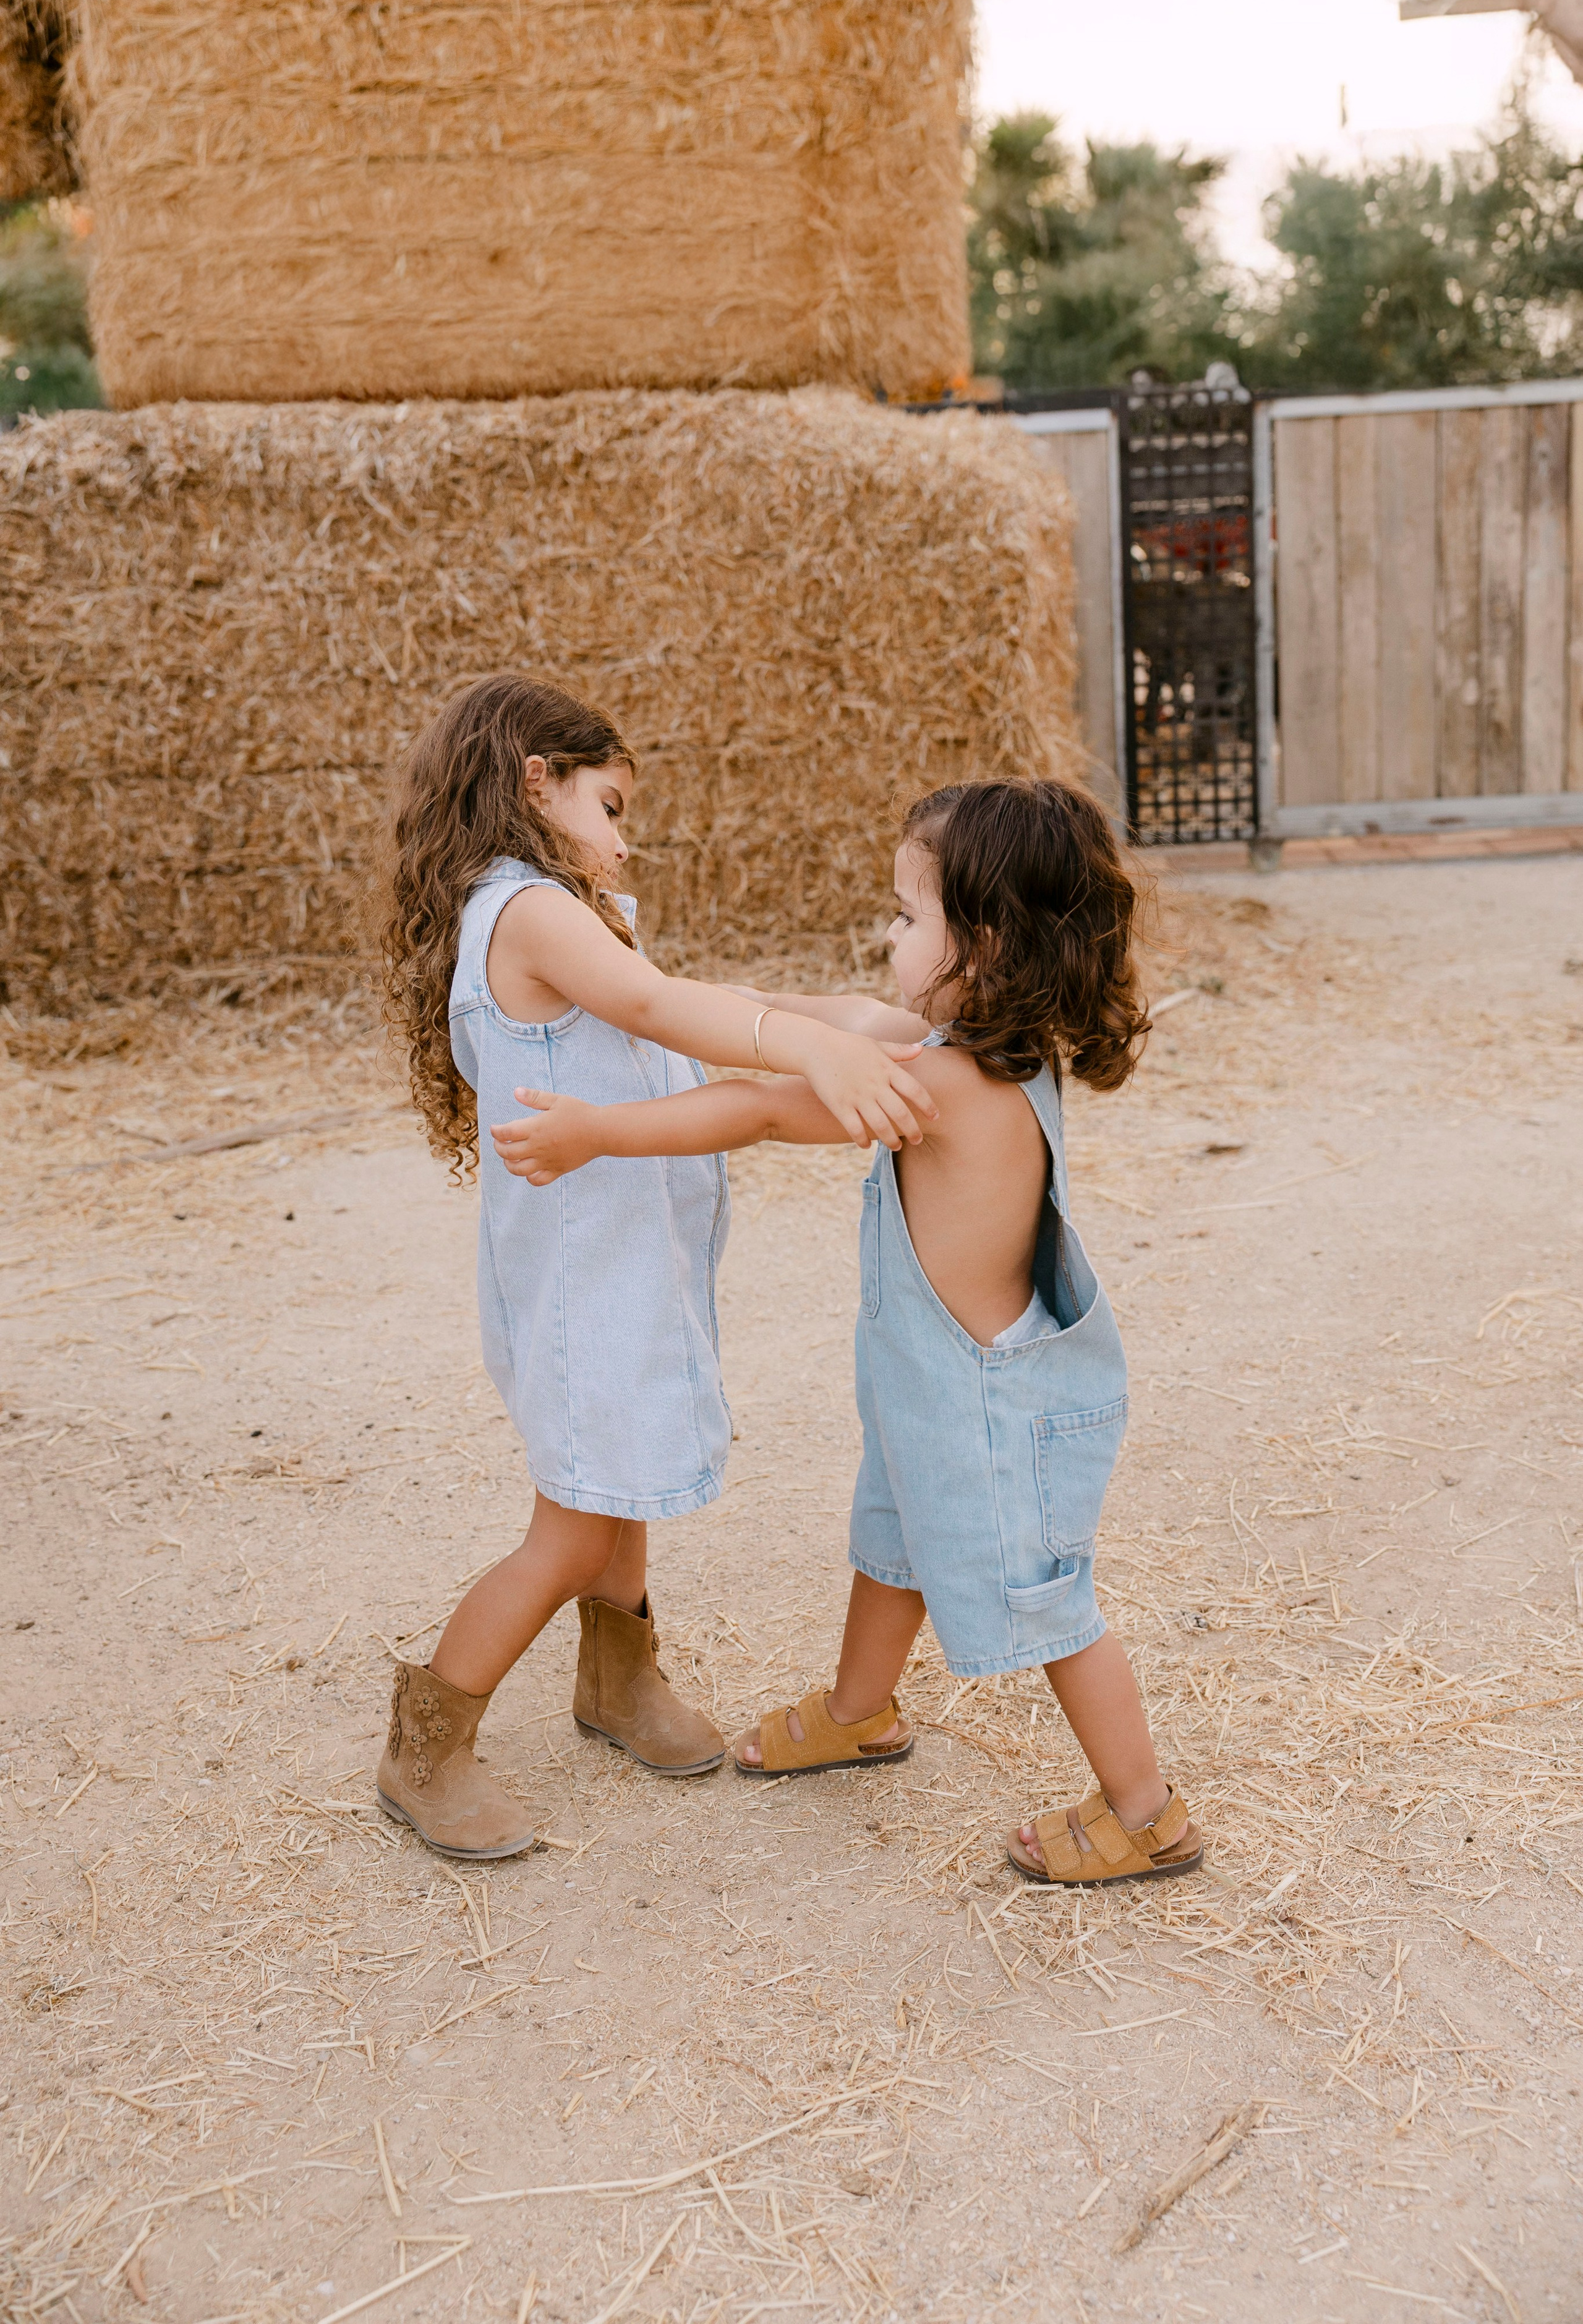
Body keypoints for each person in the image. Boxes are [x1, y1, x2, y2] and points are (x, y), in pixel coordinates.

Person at [492, 777, 1201, 1887]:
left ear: (989, 943)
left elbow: (769, 1108)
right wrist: (695, 1000)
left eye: (910, 917)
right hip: (935, 1403)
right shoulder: (954, 1041)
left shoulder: (952, 1084)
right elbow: (829, 1022)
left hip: (993, 1415)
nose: (887, 934)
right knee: (893, 1547)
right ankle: (859, 1712)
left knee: (1046, 1607)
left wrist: (599, 1131)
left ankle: (1146, 1810)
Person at [375, 673, 936, 1860]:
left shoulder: (565, 907)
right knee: (576, 1521)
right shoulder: (525, 908)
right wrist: (814, 1051)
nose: (625, 838)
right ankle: (427, 1740)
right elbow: (656, 1005)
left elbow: (697, 1000)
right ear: (537, 780)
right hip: (586, 1274)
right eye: (611, 803)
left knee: (617, 1484)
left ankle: (616, 1684)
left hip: (628, 1261)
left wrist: (869, 1029)